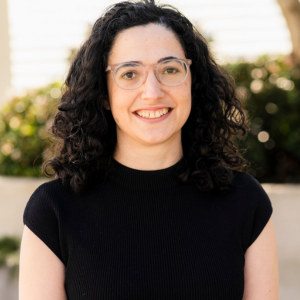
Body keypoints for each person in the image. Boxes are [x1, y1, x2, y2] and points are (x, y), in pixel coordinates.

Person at [19, 0, 279, 299]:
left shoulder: (246, 202)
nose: (153, 92)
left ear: (192, 81)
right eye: (130, 74)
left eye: (170, 69)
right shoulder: (53, 211)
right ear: (103, 93)